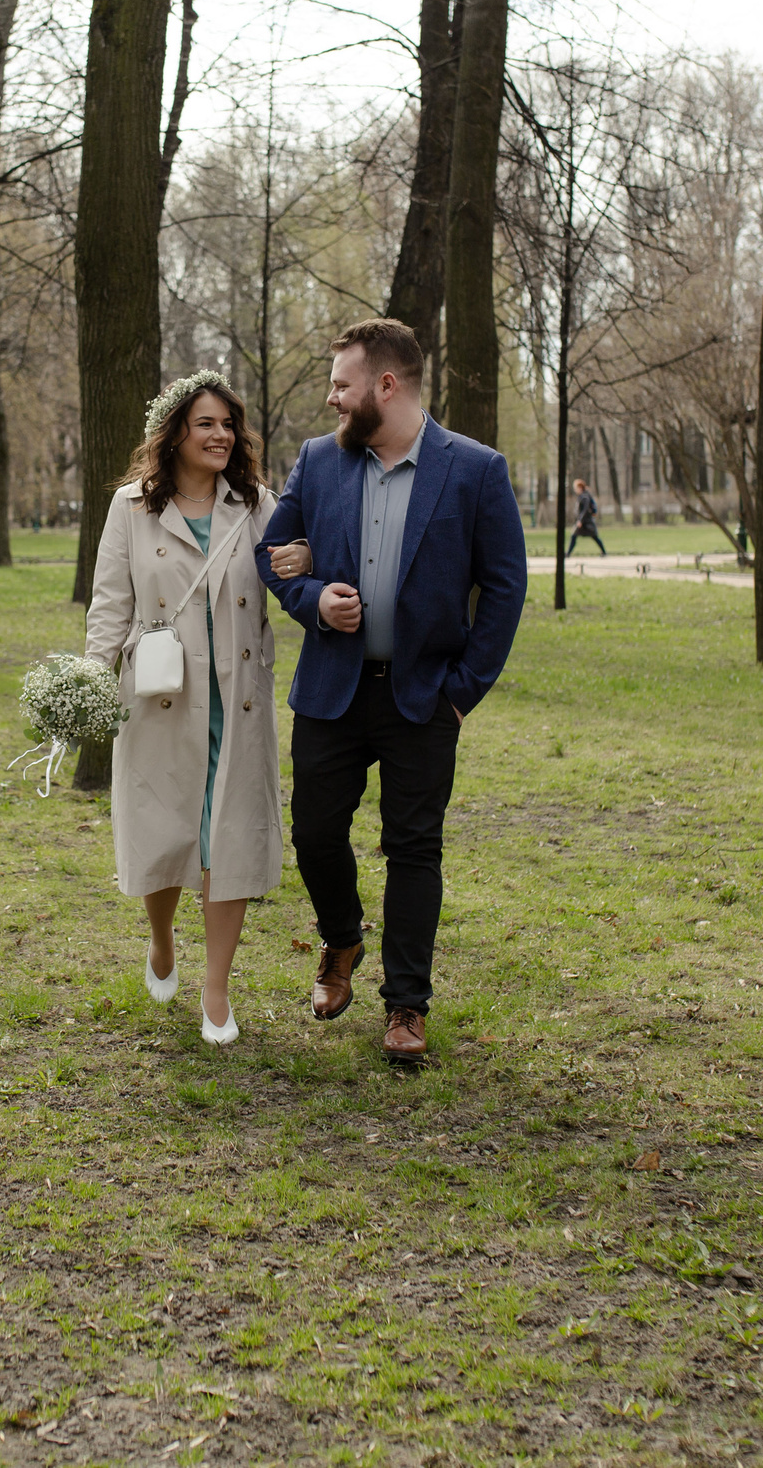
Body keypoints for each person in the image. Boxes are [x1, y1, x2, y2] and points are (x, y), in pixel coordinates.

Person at [257, 319, 527, 1061]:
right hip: (330, 693)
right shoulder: (317, 462)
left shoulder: (476, 470)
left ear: (387, 385)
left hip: (423, 698)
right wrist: (313, 599)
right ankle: (341, 937)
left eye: (342, 385)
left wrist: (463, 690)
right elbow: (268, 553)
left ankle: (406, 1005)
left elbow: (505, 587)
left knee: (414, 849)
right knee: (314, 831)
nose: (332, 398)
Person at [85, 374, 304, 1046]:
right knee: (166, 830)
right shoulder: (131, 507)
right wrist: (91, 677)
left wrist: (304, 560)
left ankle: (216, 989)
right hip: (161, 700)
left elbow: (287, 573)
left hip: (236, 702)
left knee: (226, 836)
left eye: (228, 425)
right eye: (206, 423)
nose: (220, 435)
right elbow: (110, 607)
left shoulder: (258, 505)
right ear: (175, 430)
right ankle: (160, 939)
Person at [566, 478, 606, 556]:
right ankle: (568, 553)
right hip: (586, 522)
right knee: (575, 536)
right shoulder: (584, 496)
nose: (575, 490)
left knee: (593, 537)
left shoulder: (584, 497)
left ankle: (568, 553)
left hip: (586, 522)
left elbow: (585, 510)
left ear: (580, 488)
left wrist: (580, 520)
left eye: (576, 488)